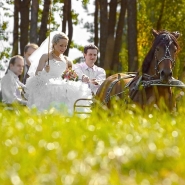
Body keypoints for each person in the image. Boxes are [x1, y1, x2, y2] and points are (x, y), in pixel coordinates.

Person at [25, 31, 92, 114]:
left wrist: (79, 76)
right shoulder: (46, 57)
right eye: (61, 45)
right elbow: (37, 74)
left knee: (74, 92)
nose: (63, 48)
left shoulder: (67, 60)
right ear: (54, 44)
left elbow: (73, 74)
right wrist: (45, 71)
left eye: (65, 46)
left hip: (62, 85)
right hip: (46, 85)